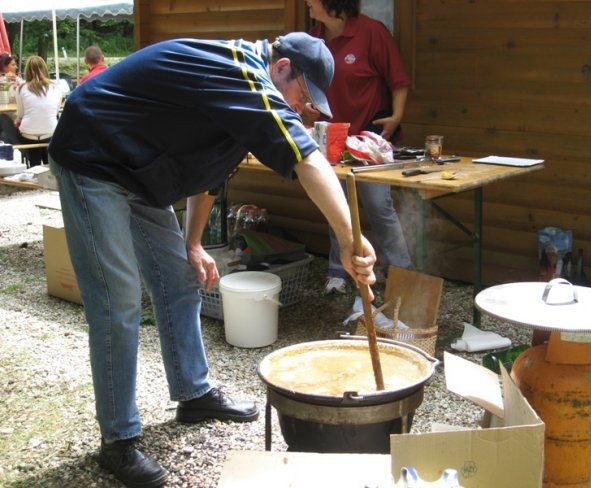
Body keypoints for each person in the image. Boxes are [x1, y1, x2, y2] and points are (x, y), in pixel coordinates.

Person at [48, 32, 376, 488]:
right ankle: (119, 440)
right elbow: (308, 159)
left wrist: (194, 245)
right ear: (281, 68)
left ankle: (193, 392)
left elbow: (211, 177)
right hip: (94, 157)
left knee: (181, 280)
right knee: (117, 301)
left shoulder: (241, 100)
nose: (303, 109)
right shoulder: (240, 73)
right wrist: (347, 237)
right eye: (303, 95)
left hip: (140, 173)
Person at [306, 0, 414, 294]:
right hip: (329, 138)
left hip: (368, 141)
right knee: (334, 206)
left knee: (379, 207)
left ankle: (402, 274)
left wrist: (397, 116)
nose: (306, 3)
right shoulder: (313, 38)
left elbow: (398, 79)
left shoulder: (371, 32)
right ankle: (338, 271)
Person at [14, 56, 63, 167]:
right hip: (50, 133)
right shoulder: (56, 87)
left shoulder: (21, 88)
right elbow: (54, 113)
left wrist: (18, 120)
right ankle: (46, 165)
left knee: (27, 134)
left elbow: (21, 115)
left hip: (28, 135)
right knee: (45, 136)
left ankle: (34, 166)